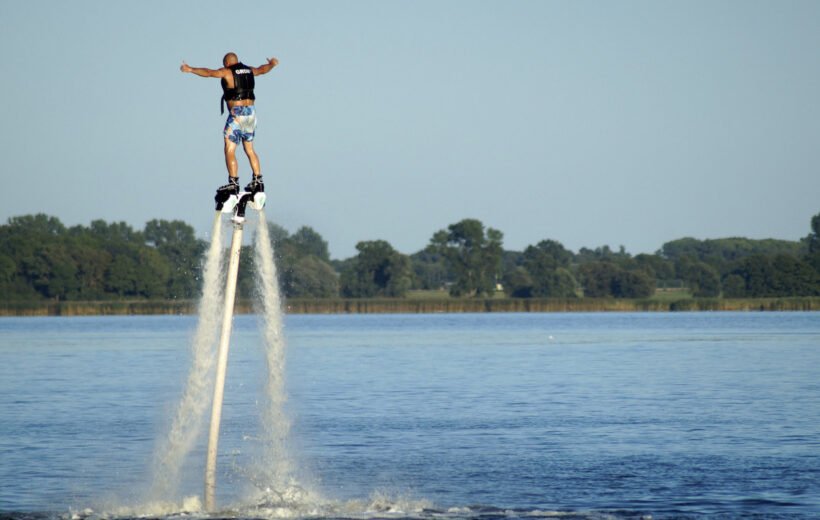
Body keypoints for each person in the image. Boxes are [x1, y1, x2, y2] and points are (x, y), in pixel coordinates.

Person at [180, 52, 279, 198]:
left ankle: (233, 183)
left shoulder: (227, 72)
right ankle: (258, 181)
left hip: (237, 114)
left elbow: (209, 73)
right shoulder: (249, 70)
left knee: (229, 148)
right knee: (250, 149)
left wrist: (191, 69)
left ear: (226, 63)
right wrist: (272, 64)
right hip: (251, 114)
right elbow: (262, 69)